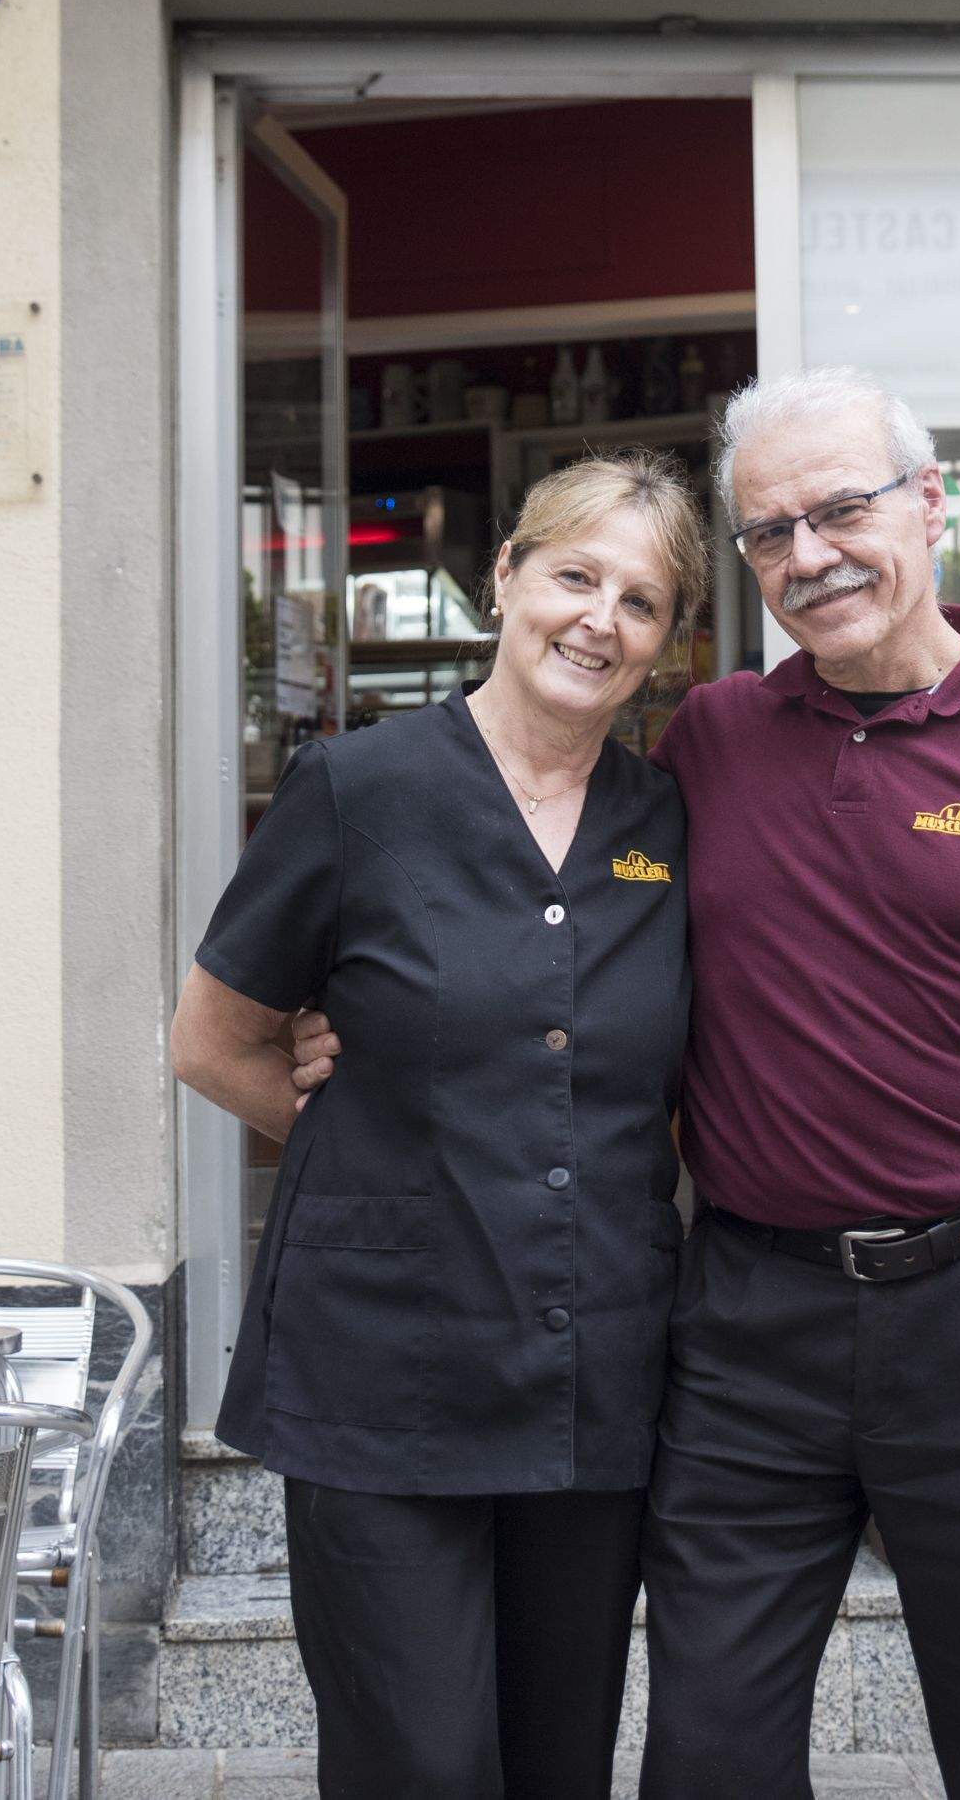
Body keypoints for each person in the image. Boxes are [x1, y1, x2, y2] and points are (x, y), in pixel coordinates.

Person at [297, 368, 960, 1800]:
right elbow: (566, 938)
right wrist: (370, 1053)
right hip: (744, 1331)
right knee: (704, 1759)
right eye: (772, 532)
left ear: (926, 503)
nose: (811, 555)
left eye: (842, 509)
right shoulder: (709, 744)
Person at [169, 450, 710, 1800]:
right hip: (381, 1370)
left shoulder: (668, 824)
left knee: (558, 1762)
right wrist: (365, 1134)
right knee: (422, 1761)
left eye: (640, 601)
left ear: (663, 642)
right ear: (505, 578)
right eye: (576, 574)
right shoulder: (358, 790)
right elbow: (210, 1039)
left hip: (591, 1372)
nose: (600, 617)